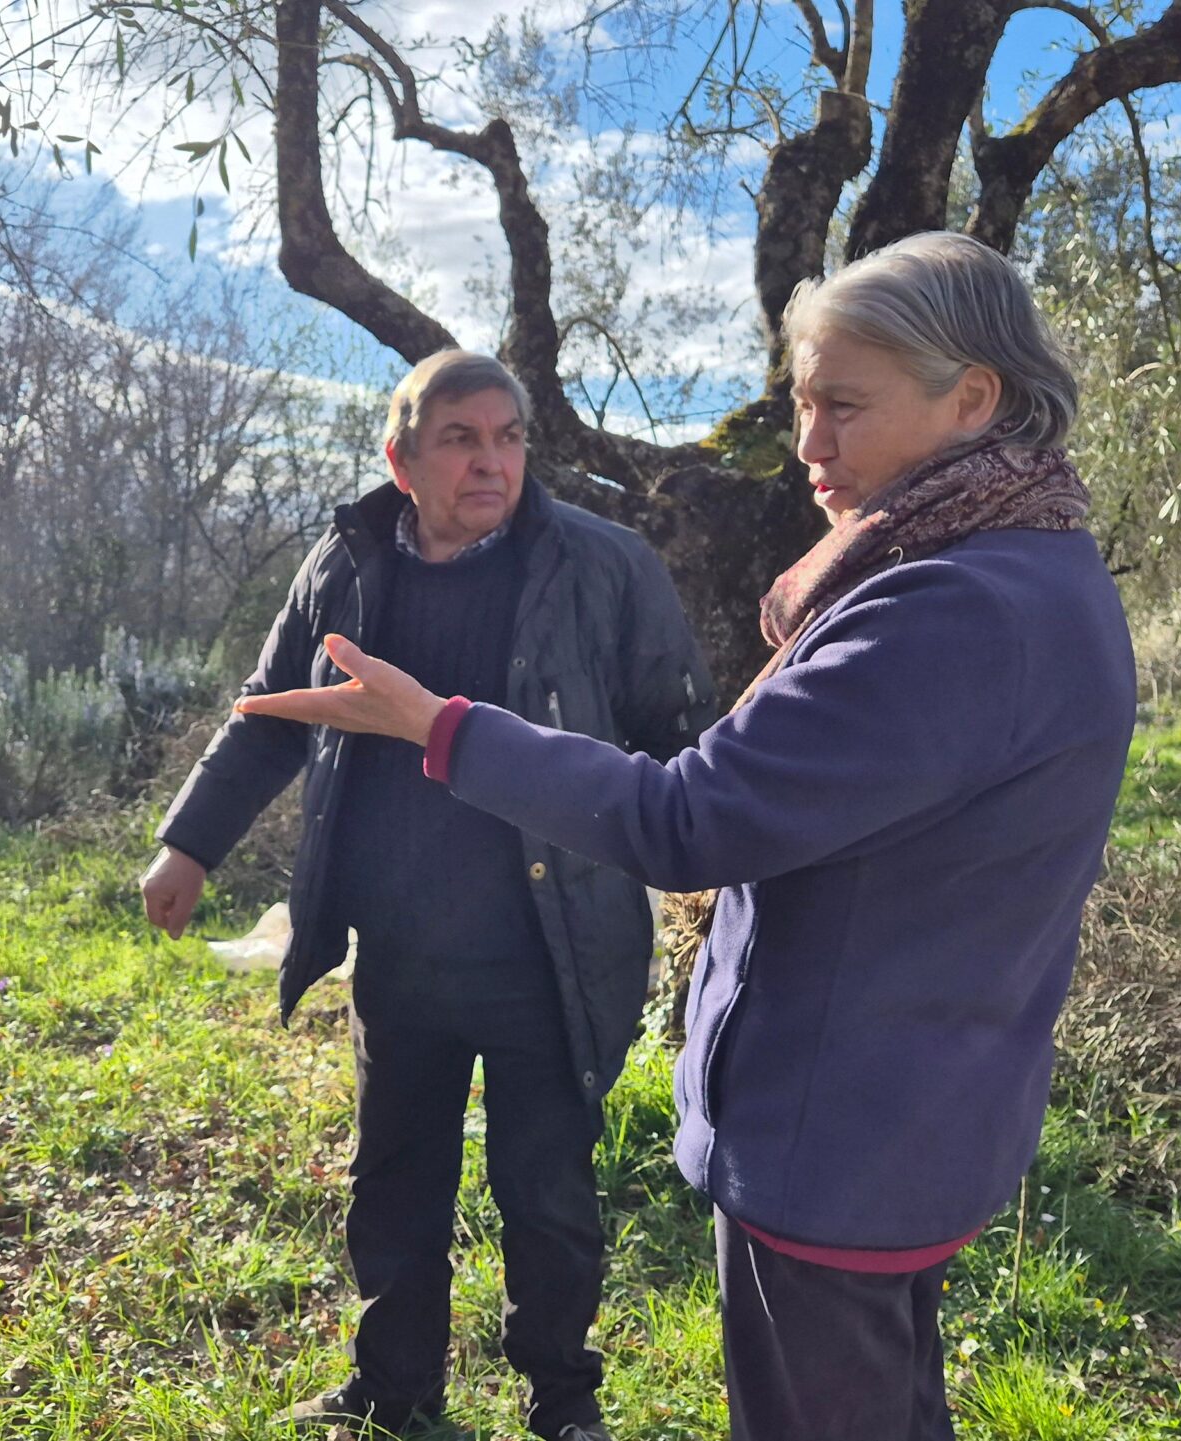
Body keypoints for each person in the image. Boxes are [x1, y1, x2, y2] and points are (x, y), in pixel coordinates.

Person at [235, 232, 1138, 1440]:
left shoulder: (952, 606)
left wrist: (438, 727)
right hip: (911, 1102)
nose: (807, 443)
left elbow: (689, 813)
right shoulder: (1019, 566)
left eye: (842, 407)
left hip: (842, 1129)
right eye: (803, 402)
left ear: (969, 397)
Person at [142, 349, 716, 1440]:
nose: (491, 462)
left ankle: (562, 1399)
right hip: (398, 948)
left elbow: (675, 738)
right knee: (393, 1182)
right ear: (400, 458)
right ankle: (393, 1389)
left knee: (547, 1194)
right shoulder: (349, 563)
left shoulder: (601, 564)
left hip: (553, 948)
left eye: (508, 437)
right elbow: (272, 709)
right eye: (460, 439)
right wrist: (189, 843)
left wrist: (716, 869)